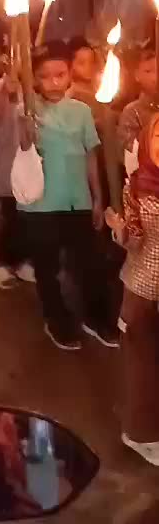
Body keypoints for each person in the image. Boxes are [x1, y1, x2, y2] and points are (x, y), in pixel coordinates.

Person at [18, 41, 118, 351]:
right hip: (41, 202)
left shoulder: (82, 111)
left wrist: (97, 198)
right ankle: (56, 320)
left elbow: (90, 155)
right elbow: (23, 147)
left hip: (78, 199)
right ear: (34, 79)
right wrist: (24, 122)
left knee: (89, 263)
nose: (53, 83)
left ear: (69, 75)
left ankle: (95, 317)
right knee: (47, 267)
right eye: (44, 76)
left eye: (60, 75)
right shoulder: (28, 109)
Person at [106, 113, 159, 465]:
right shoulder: (136, 189)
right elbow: (134, 240)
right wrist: (121, 228)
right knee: (142, 366)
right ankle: (140, 434)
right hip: (143, 288)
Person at [0, 59, 34, 288]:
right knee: (14, 214)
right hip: (6, 161)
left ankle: (20, 259)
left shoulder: (33, 89)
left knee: (26, 214)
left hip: (29, 161)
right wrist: (3, 93)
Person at [118, 41, 159, 165]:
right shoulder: (132, 112)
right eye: (148, 71)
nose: (155, 78)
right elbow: (130, 153)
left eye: (157, 70)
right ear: (137, 75)